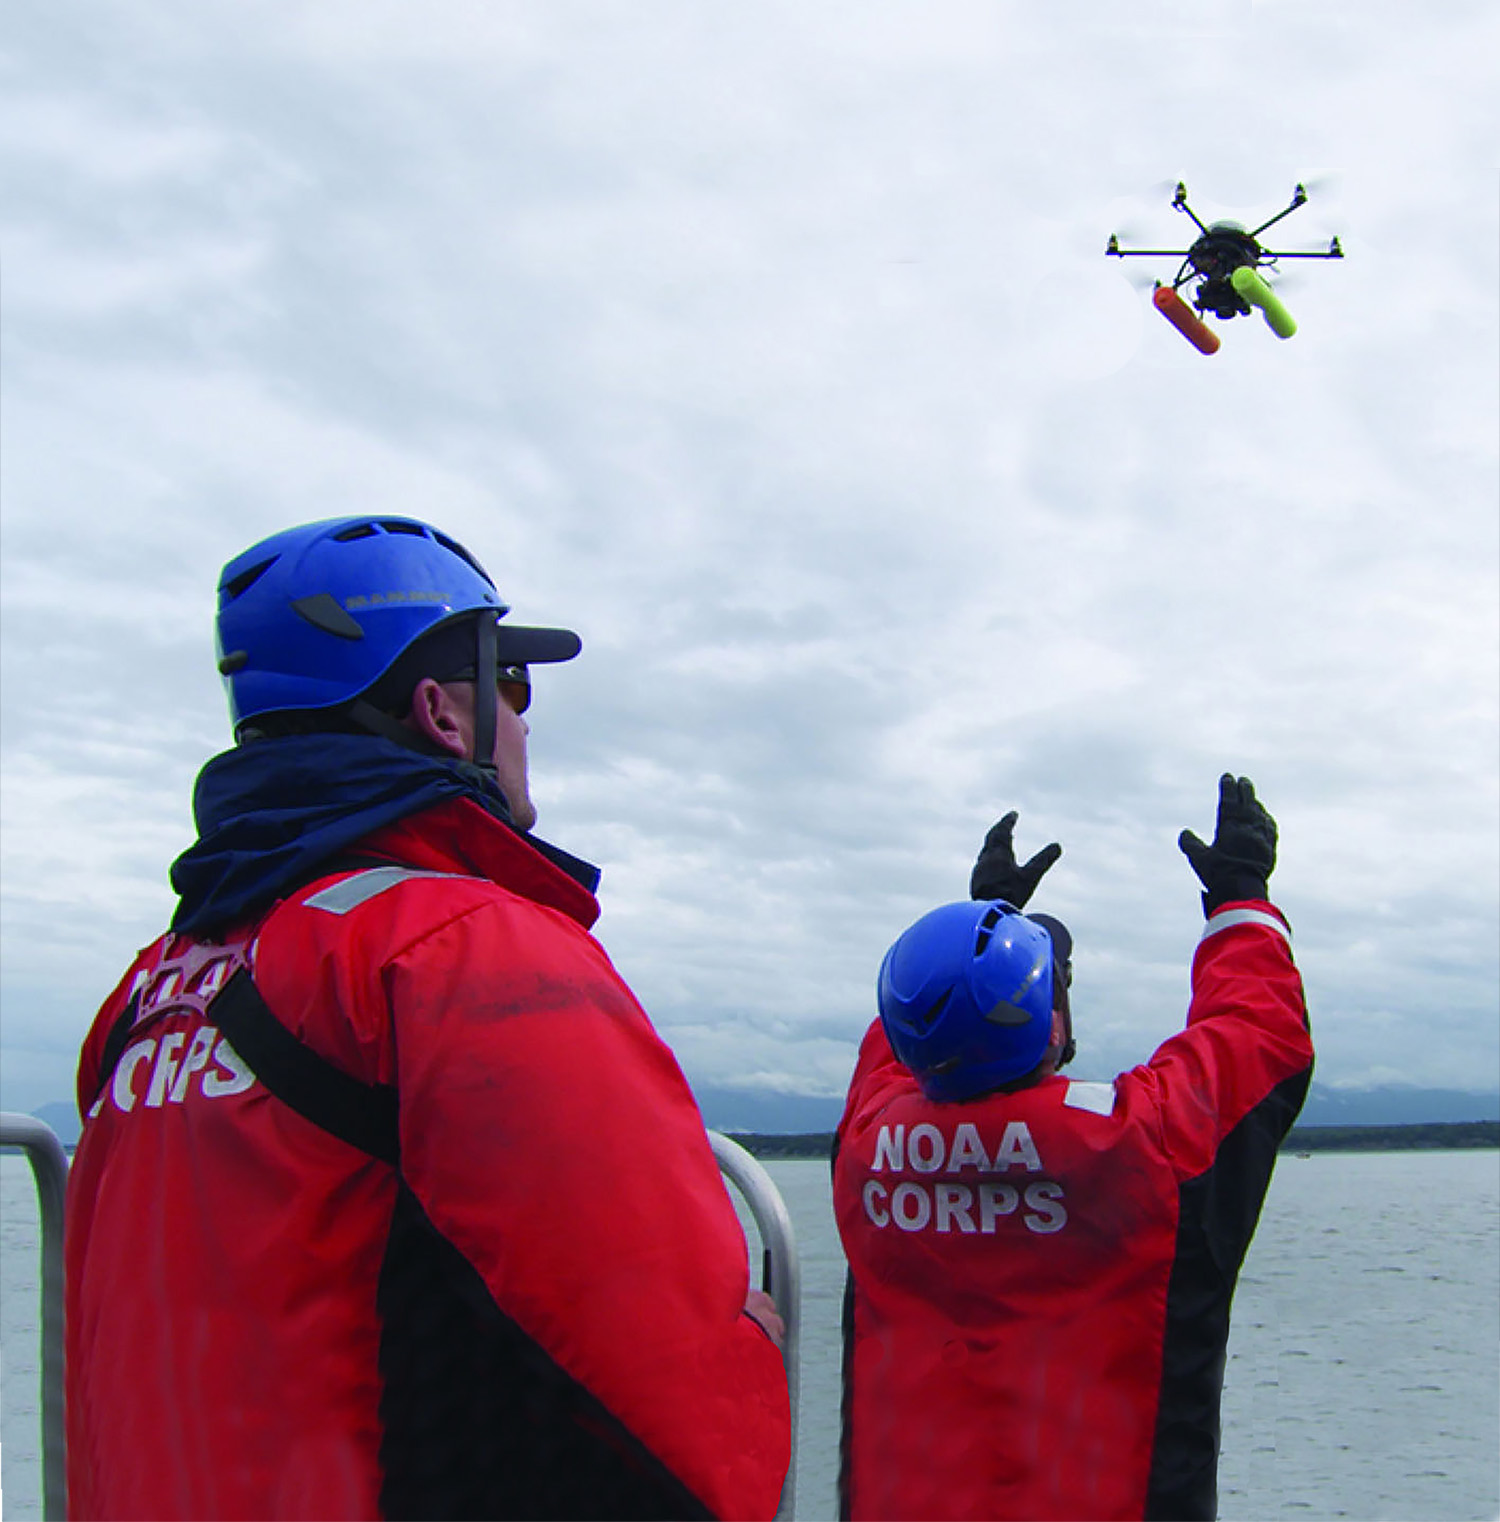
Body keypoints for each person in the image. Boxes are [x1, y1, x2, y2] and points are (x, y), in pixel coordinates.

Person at [64, 516, 791, 1521]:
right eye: (514, 684)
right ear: (442, 714)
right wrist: (743, 1338)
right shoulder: (466, 952)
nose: (526, 720)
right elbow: (672, 1393)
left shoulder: (152, 990)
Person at [833, 777, 1313, 1522]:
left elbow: (908, 1036)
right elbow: (1259, 1036)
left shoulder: (868, 1148)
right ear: (1050, 1026)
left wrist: (982, 923)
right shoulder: (1143, 1149)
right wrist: (1241, 896)